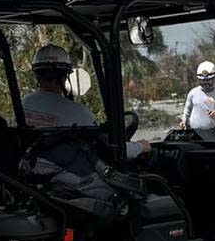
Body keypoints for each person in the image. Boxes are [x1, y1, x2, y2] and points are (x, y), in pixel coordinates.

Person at [21, 43, 149, 158]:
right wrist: (141, 146)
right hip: (71, 180)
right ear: (65, 75)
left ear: (36, 75)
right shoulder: (78, 113)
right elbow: (112, 149)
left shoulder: (22, 105)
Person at [181, 61, 215, 142]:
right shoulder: (193, 93)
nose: (205, 83)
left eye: (208, 80)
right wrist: (184, 120)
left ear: (213, 79)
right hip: (193, 133)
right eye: (202, 80)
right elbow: (187, 110)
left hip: (211, 133)